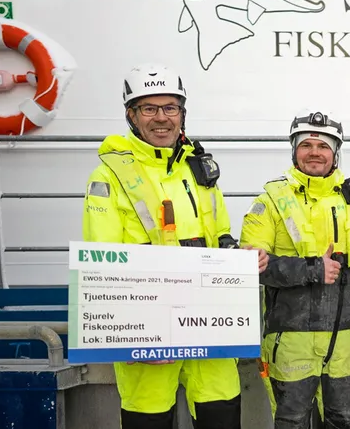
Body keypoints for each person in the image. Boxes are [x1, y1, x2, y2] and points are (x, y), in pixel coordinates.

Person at [82, 63, 267, 429]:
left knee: (221, 413)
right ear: (131, 115)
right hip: (146, 327)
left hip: (207, 319)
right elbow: (102, 263)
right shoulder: (109, 174)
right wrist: (132, 340)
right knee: (148, 418)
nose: (161, 118)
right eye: (149, 108)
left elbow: (221, 237)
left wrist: (242, 258)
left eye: (170, 108)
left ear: (182, 114)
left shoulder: (199, 168)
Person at [240, 111, 350, 429]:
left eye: (323, 146)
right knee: (292, 422)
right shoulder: (270, 200)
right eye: (306, 144)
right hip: (290, 339)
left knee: (343, 420)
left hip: (344, 341)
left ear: (335, 153)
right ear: (294, 150)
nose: (314, 152)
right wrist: (311, 269)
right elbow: (252, 266)